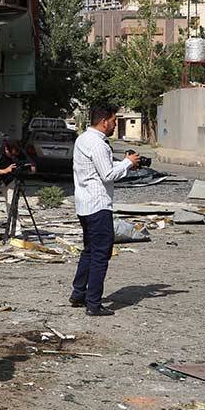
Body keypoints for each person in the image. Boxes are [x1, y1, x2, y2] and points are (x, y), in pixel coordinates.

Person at [70, 106, 141, 317]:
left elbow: (101, 167)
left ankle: (78, 293)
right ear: (103, 121)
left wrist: (126, 164)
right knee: (101, 254)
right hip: (98, 205)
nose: (114, 125)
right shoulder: (97, 143)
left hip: (84, 205)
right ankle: (93, 303)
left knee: (90, 250)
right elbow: (108, 174)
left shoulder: (83, 139)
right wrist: (127, 163)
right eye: (113, 121)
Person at [0, 136, 36, 238]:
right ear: (6, 149)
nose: (13, 157)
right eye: (11, 154)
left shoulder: (17, 149)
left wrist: (30, 167)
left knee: (12, 205)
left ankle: (16, 231)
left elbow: (30, 163)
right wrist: (5, 170)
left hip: (9, 180)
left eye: (16, 154)